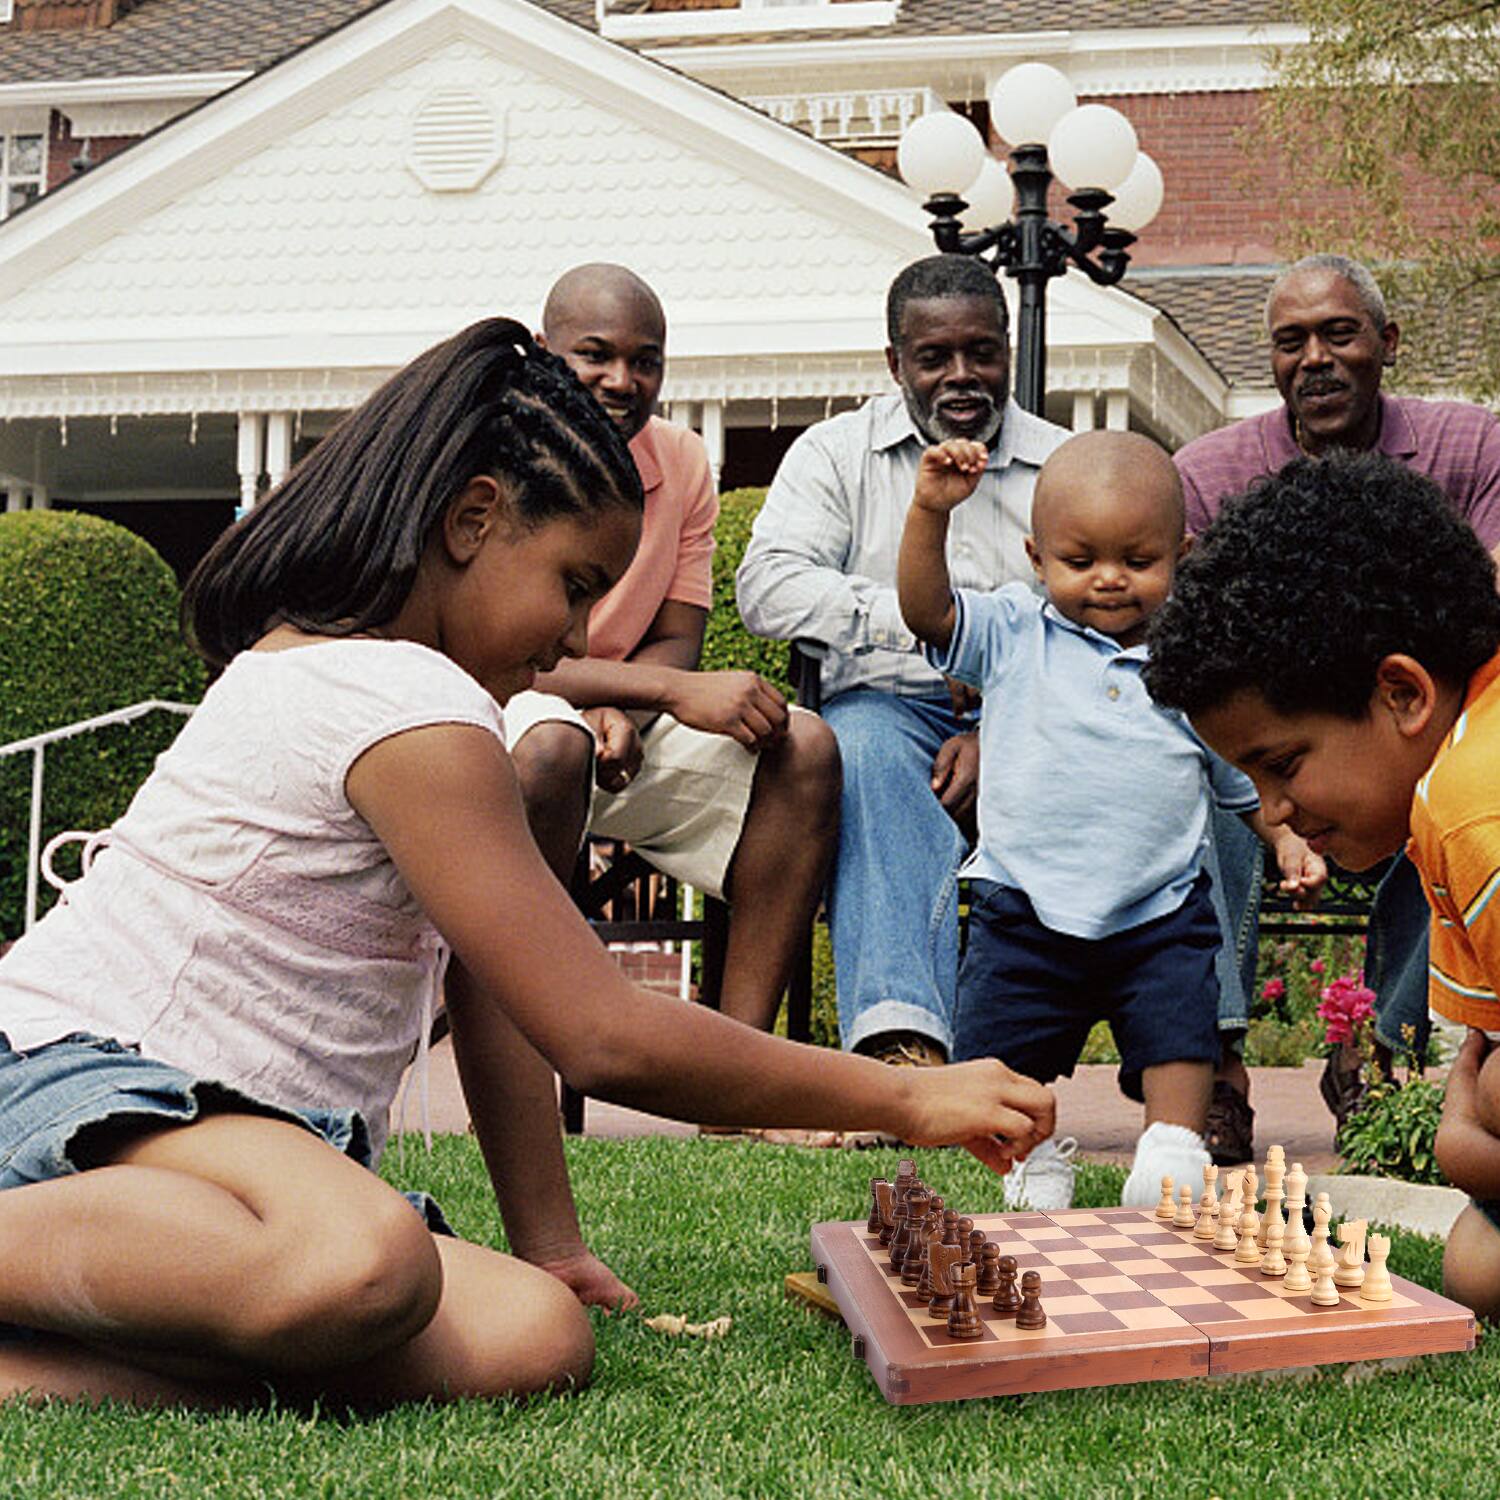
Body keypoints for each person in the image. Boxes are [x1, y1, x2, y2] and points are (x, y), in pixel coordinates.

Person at [0, 318, 1056, 1410]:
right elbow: (600, 1034)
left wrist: (549, 1246)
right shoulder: (403, 704)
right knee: (363, 1264)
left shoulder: (397, 687)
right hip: (81, 1082)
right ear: (473, 521)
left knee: (527, 1336)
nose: (578, 635)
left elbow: (500, 993)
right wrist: (906, 1096)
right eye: (574, 582)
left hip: (234, 1155)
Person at [897, 429, 1323, 1206]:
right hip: (1025, 902)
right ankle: (1030, 1159)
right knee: (997, 1058)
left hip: (1158, 906)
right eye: (1080, 559)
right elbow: (928, 612)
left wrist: (1290, 838)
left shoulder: (1196, 674)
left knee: (1185, 1032)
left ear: (1182, 554)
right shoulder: (1011, 633)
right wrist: (930, 512)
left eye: (1138, 560)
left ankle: (1172, 1152)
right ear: (1035, 558)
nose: (1109, 580)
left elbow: (1248, 784)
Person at [1143, 450, 1500, 1318]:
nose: (1274, 810)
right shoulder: (1450, 789)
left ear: (1401, 693)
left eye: (1283, 764)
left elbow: (1477, 1114)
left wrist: (1462, 1143)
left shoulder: (1473, 806)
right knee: (1479, 1260)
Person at [1172, 252, 1500, 1161]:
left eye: (1338, 333)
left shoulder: (1475, 807)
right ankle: (1250, 1067)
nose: (1314, 358)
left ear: (1387, 344)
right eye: (1290, 342)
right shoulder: (1204, 470)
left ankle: (1386, 1065)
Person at [737, 253, 1070, 1081]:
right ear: (896, 364)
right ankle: (902, 1049)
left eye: (983, 353)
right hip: (887, 707)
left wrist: (1000, 719)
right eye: (934, 358)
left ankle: (1192, 1061)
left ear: (1008, 353)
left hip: (1040, 716)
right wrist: (926, 629)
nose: (963, 376)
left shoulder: (1066, 465)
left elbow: (1107, 619)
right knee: (868, 753)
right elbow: (768, 588)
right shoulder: (836, 454)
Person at [503, 264, 838, 1033]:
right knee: (554, 745)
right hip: (493, 728)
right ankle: (532, 1042)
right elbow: (494, 656)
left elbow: (677, 638)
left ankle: (741, 1074)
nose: (623, 380)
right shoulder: (489, 455)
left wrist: (619, 701)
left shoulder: (681, 461)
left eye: (645, 360)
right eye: (596, 355)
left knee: (804, 746)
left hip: (626, 732)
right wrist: (634, 699)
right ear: (542, 349)